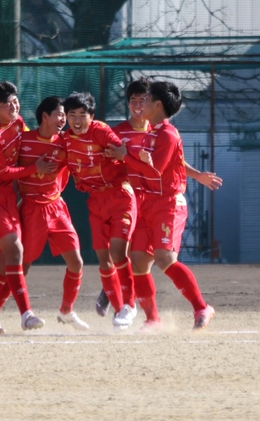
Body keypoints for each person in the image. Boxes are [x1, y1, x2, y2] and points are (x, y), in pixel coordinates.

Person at [106, 80, 219, 332]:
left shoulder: (167, 133)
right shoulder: (153, 132)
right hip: (144, 202)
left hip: (168, 203)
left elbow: (156, 169)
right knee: (138, 261)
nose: (140, 104)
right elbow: (171, 164)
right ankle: (153, 319)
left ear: (157, 104)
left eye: (145, 100)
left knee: (165, 257)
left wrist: (126, 157)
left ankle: (202, 307)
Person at [0, 81, 55, 333]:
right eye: (8, 104)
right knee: (15, 252)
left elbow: (29, 139)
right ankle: (26, 314)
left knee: (5, 264)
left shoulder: (17, 123)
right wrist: (33, 169)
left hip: (8, 198)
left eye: (16, 101)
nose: (15, 106)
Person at [62, 92, 137, 330]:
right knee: (103, 260)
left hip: (119, 195)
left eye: (82, 115)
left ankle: (130, 305)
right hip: (96, 201)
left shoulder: (101, 132)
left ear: (91, 117)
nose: (76, 120)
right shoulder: (65, 140)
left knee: (118, 253)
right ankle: (119, 310)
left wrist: (122, 153)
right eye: (71, 114)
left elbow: (125, 154)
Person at [17, 96, 88, 330]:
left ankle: (67, 311)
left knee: (76, 262)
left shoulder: (65, 142)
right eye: (60, 114)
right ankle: (4, 313)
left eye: (64, 115)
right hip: (30, 209)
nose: (63, 119)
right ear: (45, 116)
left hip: (56, 208)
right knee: (22, 265)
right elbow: (7, 170)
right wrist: (31, 169)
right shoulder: (23, 140)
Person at [94, 77, 151, 317]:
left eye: (143, 100)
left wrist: (197, 176)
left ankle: (126, 302)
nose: (138, 105)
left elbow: (173, 163)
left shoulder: (162, 131)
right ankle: (120, 299)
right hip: (127, 200)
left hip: (154, 201)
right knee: (124, 254)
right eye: (133, 100)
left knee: (143, 261)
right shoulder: (116, 133)